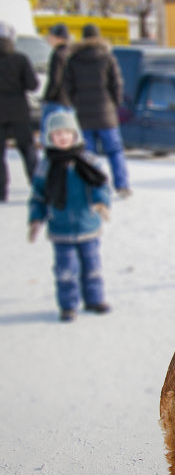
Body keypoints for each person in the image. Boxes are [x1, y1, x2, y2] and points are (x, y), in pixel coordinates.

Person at [28, 108, 111, 322]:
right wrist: (36, 219)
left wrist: (102, 203)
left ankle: (94, 299)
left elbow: (100, 185)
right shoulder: (46, 166)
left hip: (88, 225)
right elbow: (39, 195)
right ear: (49, 138)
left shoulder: (87, 160)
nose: (62, 137)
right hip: (60, 227)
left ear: (75, 135)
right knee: (65, 270)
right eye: (57, 134)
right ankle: (68, 305)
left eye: (67, 133)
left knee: (92, 266)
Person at [63, 23, 132, 197]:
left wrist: (75, 104)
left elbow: (67, 87)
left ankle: (92, 188)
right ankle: (122, 185)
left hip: (83, 116)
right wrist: (113, 105)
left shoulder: (73, 59)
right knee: (115, 151)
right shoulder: (107, 58)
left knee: (88, 154)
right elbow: (116, 85)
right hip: (106, 114)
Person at [0, 21, 39, 202]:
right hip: (19, 110)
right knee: (28, 149)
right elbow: (33, 85)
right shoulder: (20, 59)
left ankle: (2, 192)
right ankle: (38, 186)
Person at [41, 22, 71, 141]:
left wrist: (47, 97)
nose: (49, 38)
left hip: (57, 100)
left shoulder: (58, 55)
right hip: (69, 101)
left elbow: (55, 80)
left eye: (50, 36)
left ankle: (49, 157)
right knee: (67, 134)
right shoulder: (71, 53)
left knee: (50, 133)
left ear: (58, 38)